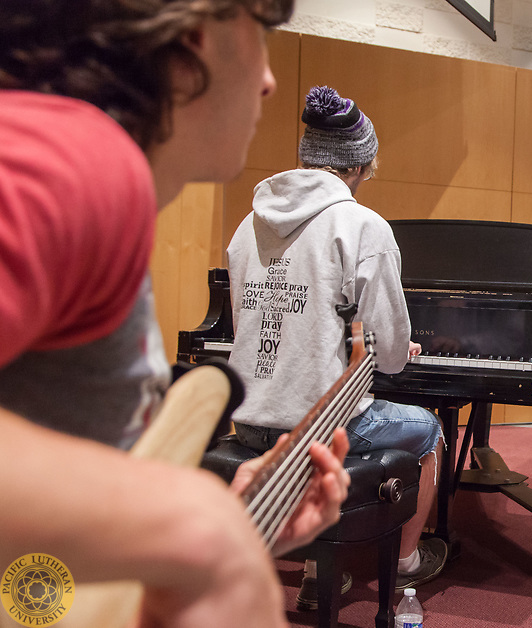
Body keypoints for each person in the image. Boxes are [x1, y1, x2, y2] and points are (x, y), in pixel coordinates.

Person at [0, 2, 352, 627]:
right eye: (262, 33)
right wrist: (194, 525)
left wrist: (236, 521)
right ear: (196, 32)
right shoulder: (74, 156)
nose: (270, 80)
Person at [226, 85, 447, 600]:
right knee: (428, 430)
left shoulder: (248, 223)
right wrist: (392, 348)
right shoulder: (362, 225)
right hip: (317, 429)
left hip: (249, 420)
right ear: (360, 165)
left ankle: (314, 565)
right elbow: (390, 358)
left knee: (318, 415)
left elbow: (249, 324)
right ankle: (408, 558)